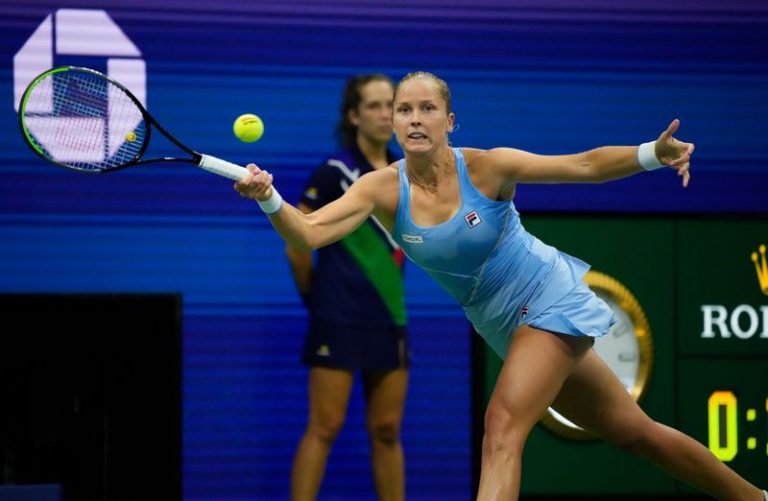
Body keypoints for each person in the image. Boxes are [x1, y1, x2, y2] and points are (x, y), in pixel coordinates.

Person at [236, 71, 767, 501]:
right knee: (635, 434)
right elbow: (308, 233)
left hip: (547, 295)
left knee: (501, 429)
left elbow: (584, 165)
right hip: (500, 324)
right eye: (404, 109)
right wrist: (269, 198)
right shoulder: (380, 189)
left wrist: (652, 152)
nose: (415, 118)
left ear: (449, 120)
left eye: (427, 108)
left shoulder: (488, 168)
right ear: (393, 122)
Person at [284, 74, 409, 501]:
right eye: (374, 105)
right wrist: (315, 298)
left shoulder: (405, 174)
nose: (385, 114)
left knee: (387, 429)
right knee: (325, 426)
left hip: (390, 317)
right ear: (354, 116)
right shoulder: (333, 172)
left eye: (392, 105)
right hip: (337, 316)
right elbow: (297, 243)